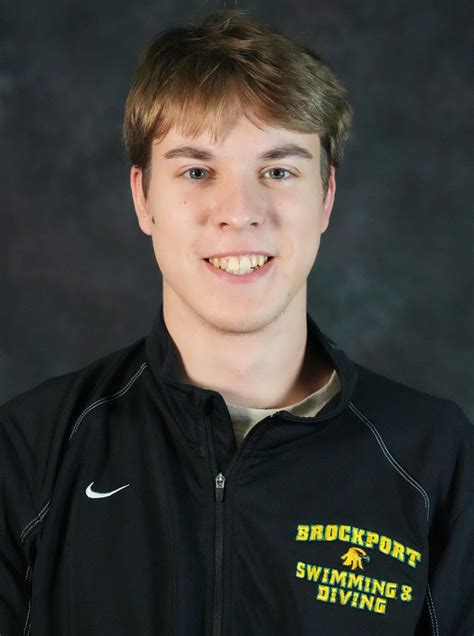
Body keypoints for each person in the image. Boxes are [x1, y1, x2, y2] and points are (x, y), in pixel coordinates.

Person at [1, 9, 472, 636]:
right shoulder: (33, 450)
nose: (240, 212)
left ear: (326, 196)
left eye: (278, 170)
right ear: (143, 198)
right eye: (197, 171)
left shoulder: (435, 457)